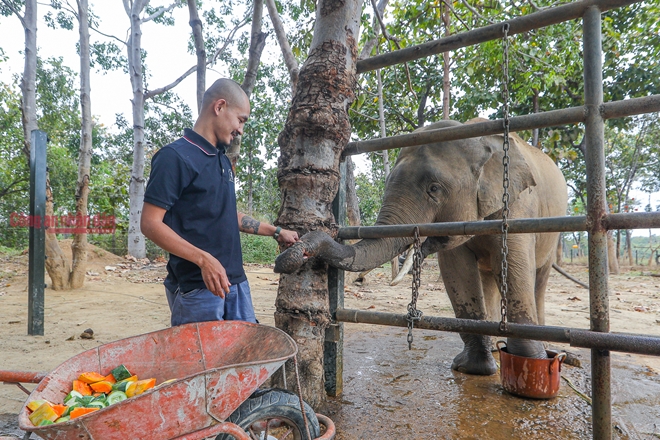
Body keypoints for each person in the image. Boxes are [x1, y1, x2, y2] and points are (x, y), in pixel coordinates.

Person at [141, 78, 298, 327]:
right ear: (220, 107)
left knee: (243, 360)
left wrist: (276, 231)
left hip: (236, 284)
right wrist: (204, 260)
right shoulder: (174, 157)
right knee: (201, 363)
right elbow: (150, 224)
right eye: (241, 119)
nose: (241, 130)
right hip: (197, 289)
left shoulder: (222, 160)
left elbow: (225, 214)